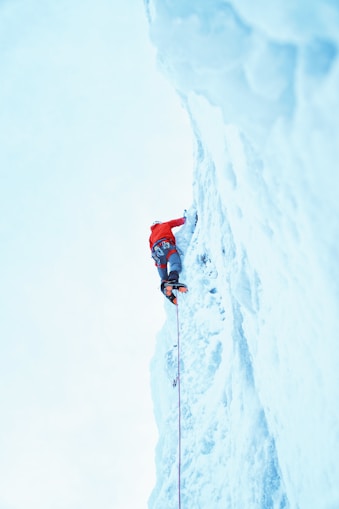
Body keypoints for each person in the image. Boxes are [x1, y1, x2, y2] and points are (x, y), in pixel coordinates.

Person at [149, 216, 186, 294]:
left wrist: (157, 263)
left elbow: (151, 248)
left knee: (162, 269)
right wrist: (184, 219)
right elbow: (176, 222)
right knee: (175, 263)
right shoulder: (165, 224)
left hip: (156, 252)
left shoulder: (151, 236)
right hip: (166, 245)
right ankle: (172, 279)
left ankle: (164, 284)